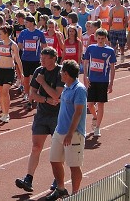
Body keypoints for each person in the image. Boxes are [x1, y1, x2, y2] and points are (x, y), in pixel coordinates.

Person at [15, 47, 64, 193]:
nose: (41, 60)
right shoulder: (38, 71)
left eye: (44, 58)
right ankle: (28, 178)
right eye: (41, 58)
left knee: (57, 150)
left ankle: (57, 180)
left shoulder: (60, 72)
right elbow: (32, 94)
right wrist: (45, 99)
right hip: (42, 115)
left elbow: (57, 95)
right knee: (36, 147)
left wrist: (43, 84)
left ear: (53, 58)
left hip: (57, 116)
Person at [46, 60, 87, 200]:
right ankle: (61, 188)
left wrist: (70, 133)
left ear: (67, 74)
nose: (60, 73)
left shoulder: (79, 89)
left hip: (73, 134)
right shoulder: (66, 87)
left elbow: (78, 112)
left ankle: (76, 194)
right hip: (60, 131)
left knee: (74, 165)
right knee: (54, 160)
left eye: (62, 71)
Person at [83, 28, 116, 137]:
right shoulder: (91, 48)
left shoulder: (110, 51)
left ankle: (97, 127)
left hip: (103, 81)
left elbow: (112, 68)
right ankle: (95, 116)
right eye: (99, 38)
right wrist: (85, 76)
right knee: (90, 104)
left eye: (102, 38)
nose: (101, 40)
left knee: (101, 104)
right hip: (92, 80)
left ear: (106, 38)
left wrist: (111, 83)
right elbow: (86, 62)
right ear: (96, 38)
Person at [0, 25, 23, 122]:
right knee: (0, 92)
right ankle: (3, 112)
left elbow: (17, 59)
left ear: (6, 34)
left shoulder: (13, 45)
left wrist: (22, 73)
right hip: (0, 69)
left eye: (1, 33)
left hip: (9, 70)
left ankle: (7, 113)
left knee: (5, 91)